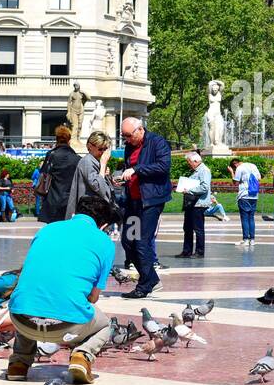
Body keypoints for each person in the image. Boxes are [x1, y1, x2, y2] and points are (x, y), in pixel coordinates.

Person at [4, 195, 120, 383]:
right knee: (106, 325)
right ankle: (82, 356)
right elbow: (93, 297)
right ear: (104, 226)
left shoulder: (47, 230)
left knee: (30, 300)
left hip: (20, 319)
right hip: (66, 325)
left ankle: (18, 363)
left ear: (75, 213)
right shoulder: (104, 242)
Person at [117, 117, 171, 299]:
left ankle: (145, 285)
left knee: (141, 241)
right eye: (123, 136)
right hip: (133, 201)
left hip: (151, 201)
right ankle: (151, 279)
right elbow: (129, 168)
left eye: (128, 135)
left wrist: (137, 170)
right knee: (128, 241)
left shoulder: (157, 142)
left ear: (140, 130)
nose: (126, 139)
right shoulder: (129, 146)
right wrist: (123, 178)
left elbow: (163, 167)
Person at [65, 130, 114, 220]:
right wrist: (103, 166)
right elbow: (98, 187)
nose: (103, 152)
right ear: (90, 146)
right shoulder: (87, 161)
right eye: (100, 149)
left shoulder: (95, 161)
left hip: (94, 210)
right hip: (88, 212)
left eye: (105, 149)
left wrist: (108, 177)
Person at [37, 125, 81, 223]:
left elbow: (44, 174)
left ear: (56, 139)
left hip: (53, 198)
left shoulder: (51, 155)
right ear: (69, 140)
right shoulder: (77, 158)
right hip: (70, 200)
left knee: (53, 231)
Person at [177, 150, 212, 258]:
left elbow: (204, 187)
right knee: (187, 228)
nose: (189, 164)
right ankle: (187, 251)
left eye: (189, 162)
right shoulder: (196, 171)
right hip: (191, 203)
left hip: (198, 204)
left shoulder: (204, 170)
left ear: (196, 161)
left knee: (198, 229)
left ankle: (199, 252)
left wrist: (189, 190)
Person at [229, 156, 262, 248]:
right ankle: (252, 240)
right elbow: (259, 179)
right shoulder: (253, 165)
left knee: (244, 218)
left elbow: (235, 182)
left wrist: (232, 172)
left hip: (244, 195)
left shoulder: (240, 168)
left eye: (234, 168)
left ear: (235, 164)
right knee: (251, 218)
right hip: (254, 195)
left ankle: (245, 240)